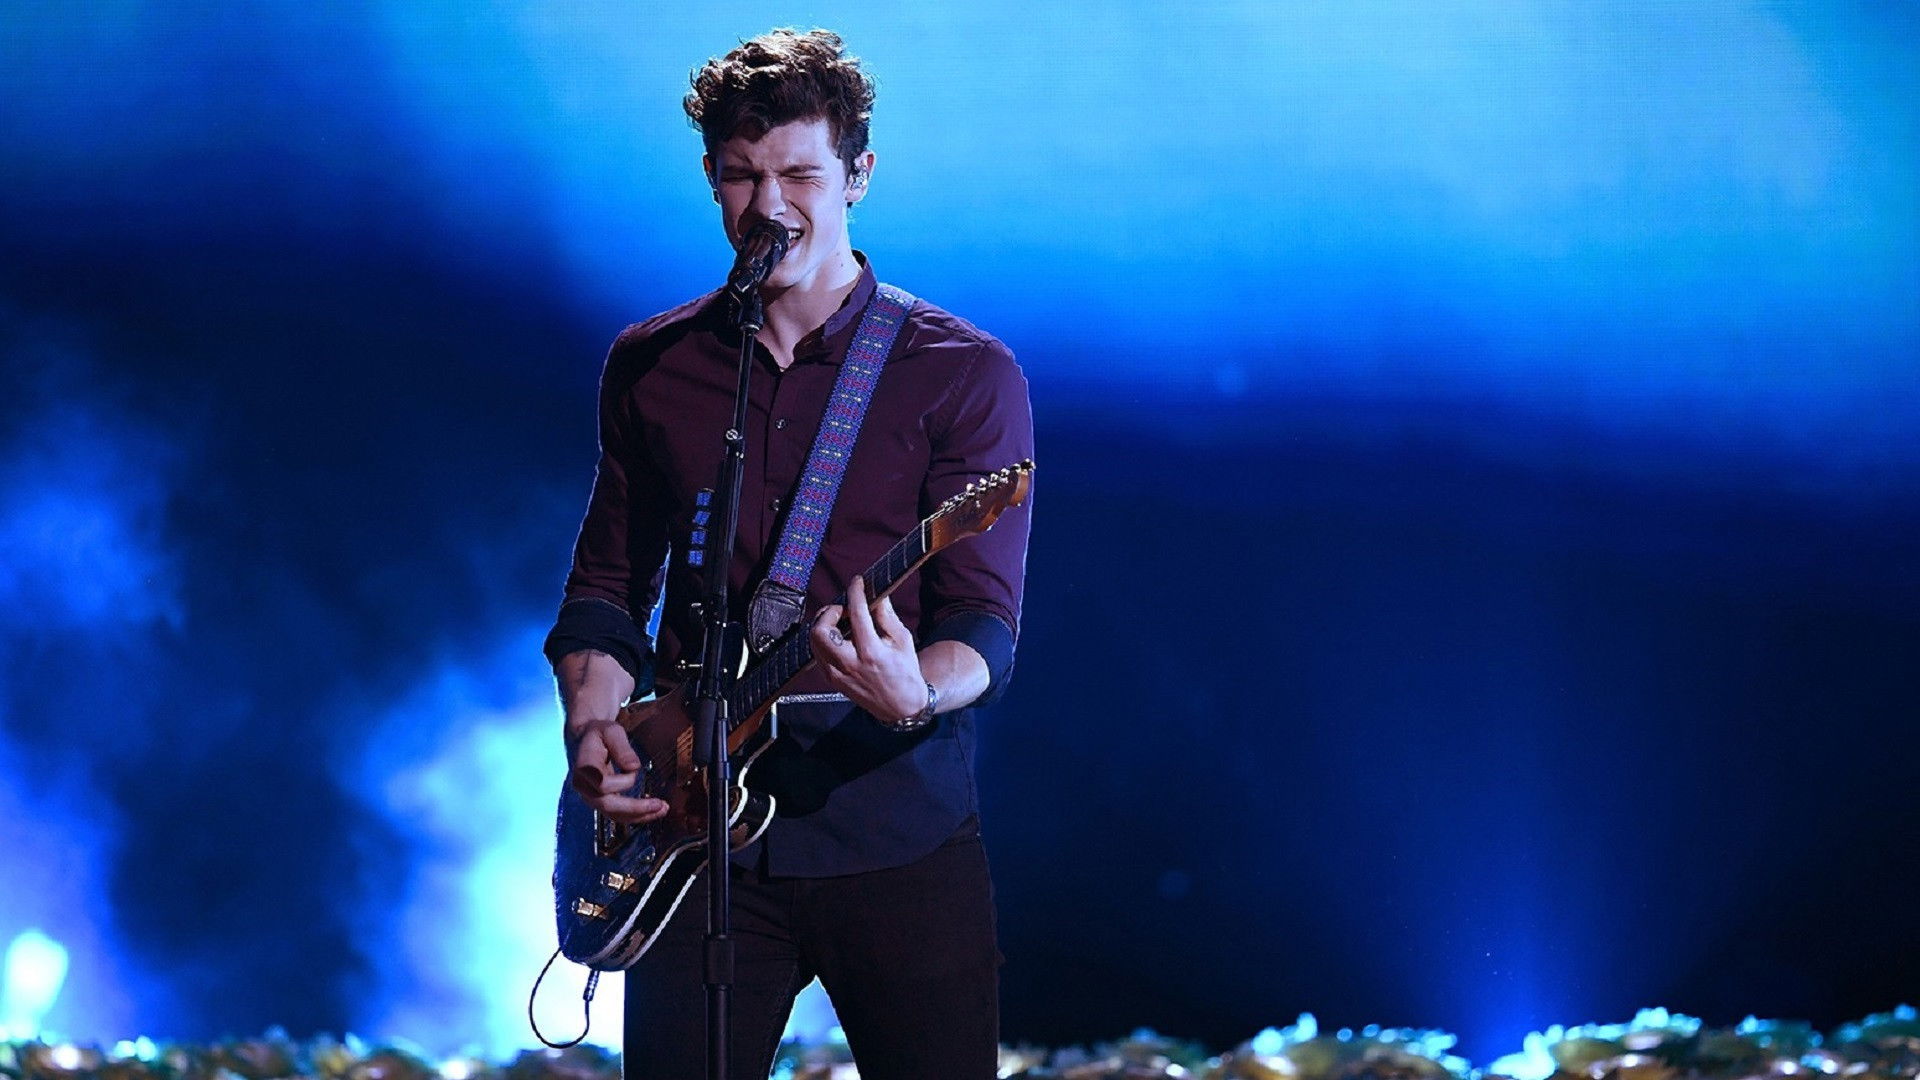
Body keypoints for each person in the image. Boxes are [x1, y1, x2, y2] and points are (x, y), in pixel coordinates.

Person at [542, 28, 1034, 1080]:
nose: (769, 206)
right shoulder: (654, 365)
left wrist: (918, 690)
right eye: (742, 176)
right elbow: (606, 590)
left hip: (893, 828)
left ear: (859, 174)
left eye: (801, 175)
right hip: (692, 837)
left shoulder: (961, 373)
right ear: (711, 179)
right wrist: (594, 728)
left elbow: (981, 626)